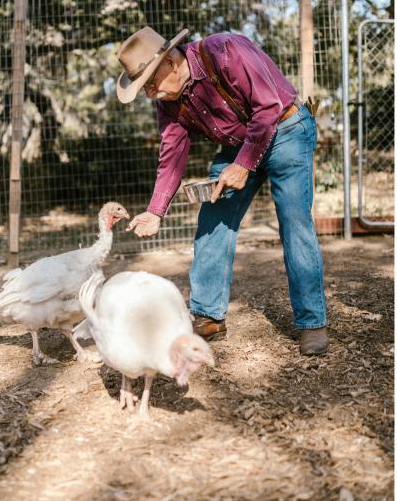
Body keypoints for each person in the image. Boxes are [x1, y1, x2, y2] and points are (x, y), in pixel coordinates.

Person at [116, 26, 328, 356]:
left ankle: (312, 322)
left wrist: (244, 164)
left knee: (294, 221)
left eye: (150, 84)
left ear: (171, 63)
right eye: (144, 89)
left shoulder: (226, 51)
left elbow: (269, 106)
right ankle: (208, 317)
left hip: (286, 129)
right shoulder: (168, 102)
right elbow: (172, 153)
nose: (149, 94)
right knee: (213, 219)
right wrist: (155, 210)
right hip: (238, 146)